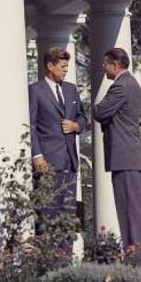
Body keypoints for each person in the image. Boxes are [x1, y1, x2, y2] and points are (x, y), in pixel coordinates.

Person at [93, 47, 141, 253]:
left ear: (115, 65)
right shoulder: (130, 84)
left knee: (129, 212)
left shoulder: (121, 86)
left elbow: (100, 111)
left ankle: (135, 259)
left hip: (125, 157)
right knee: (129, 211)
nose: (103, 67)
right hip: (129, 157)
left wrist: (99, 109)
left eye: (105, 63)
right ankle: (135, 256)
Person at [29, 47, 86, 220]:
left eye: (67, 66)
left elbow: (83, 118)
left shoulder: (71, 89)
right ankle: (49, 248)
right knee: (49, 214)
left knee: (68, 216)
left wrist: (76, 126)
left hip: (70, 162)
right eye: (62, 66)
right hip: (47, 163)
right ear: (50, 66)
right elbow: (30, 125)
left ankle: (67, 249)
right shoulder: (35, 91)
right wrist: (37, 155)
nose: (66, 70)